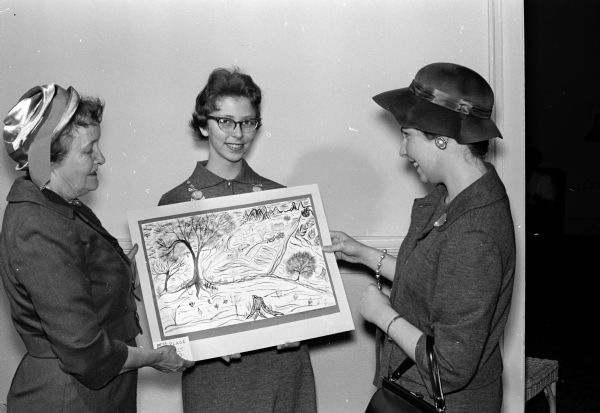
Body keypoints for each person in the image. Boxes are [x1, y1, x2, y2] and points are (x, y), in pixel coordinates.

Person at [323, 62, 516, 412]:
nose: (402, 150)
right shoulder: (455, 197)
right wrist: (363, 254)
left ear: (441, 139)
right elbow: (439, 284)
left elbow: (449, 368)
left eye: (407, 135)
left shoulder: (476, 232)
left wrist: (383, 315)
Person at [0, 84, 194, 413]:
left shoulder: (61, 207)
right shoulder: (37, 224)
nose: (101, 158)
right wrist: (156, 357)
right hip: (67, 398)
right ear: (49, 159)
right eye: (89, 150)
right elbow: (85, 351)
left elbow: (82, 284)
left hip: (94, 395)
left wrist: (121, 275)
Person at [158, 67, 317, 413]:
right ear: (203, 124)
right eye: (225, 121)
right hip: (216, 376)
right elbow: (173, 315)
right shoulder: (172, 205)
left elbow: (305, 295)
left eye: (247, 122)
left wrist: (303, 325)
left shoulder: (282, 197)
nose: (238, 134)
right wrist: (204, 340)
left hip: (281, 367)